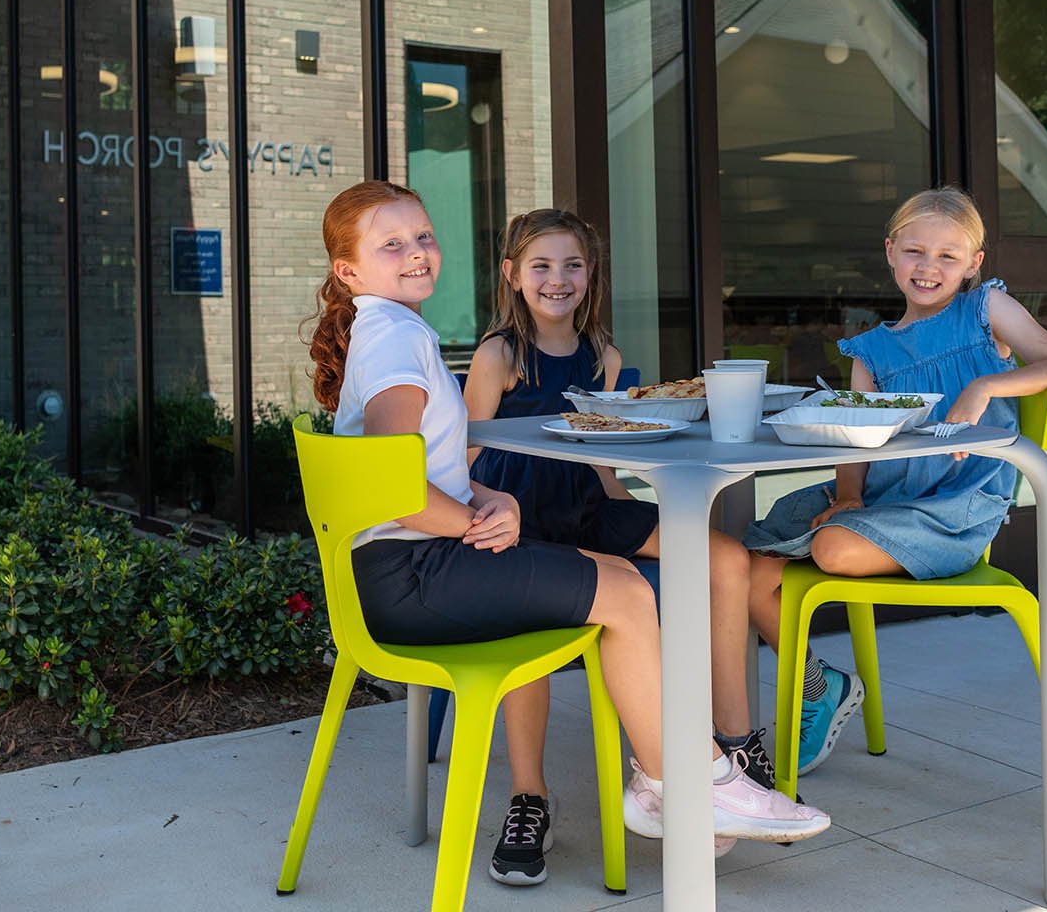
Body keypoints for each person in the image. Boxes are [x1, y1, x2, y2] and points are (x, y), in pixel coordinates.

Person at [306, 181, 830, 881]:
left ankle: (678, 780)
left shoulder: (392, 331)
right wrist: (471, 518)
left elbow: (421, 468)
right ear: (349, 271)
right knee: (625, 597)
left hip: (411, 565)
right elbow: (389, 484)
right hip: (416, 574)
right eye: (392, 244)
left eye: (423, 237)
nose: (417, 254)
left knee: (627, 581)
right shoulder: (400, 340)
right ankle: (688, 785)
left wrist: (483, 498)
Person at [731, 185, 1047, 779]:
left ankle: (825, 658)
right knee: (746, 567)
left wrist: (986, 387)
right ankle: (821, 686)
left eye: (949, 256)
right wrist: (847, 494)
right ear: (891, 253)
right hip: (879, 498)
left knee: (829, 546)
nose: (930, 267)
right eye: (916, 252)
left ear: (974, 264)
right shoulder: (870, 350)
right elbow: (854, 435)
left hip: (955, 507)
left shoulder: (986, 312)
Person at [462, 209, 773, 886]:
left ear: (591, 273)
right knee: (533, 622)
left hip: (588, 504)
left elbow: (600, 449)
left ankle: (735, 746)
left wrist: (629, 506)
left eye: (573, 265)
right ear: (513, 276)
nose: (558, 279)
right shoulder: (499, 355)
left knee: (725, 559)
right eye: (541, 266)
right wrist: (476, 520)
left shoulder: (604, 355)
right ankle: (528, 798)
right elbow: (465, 455)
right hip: (519, 519)